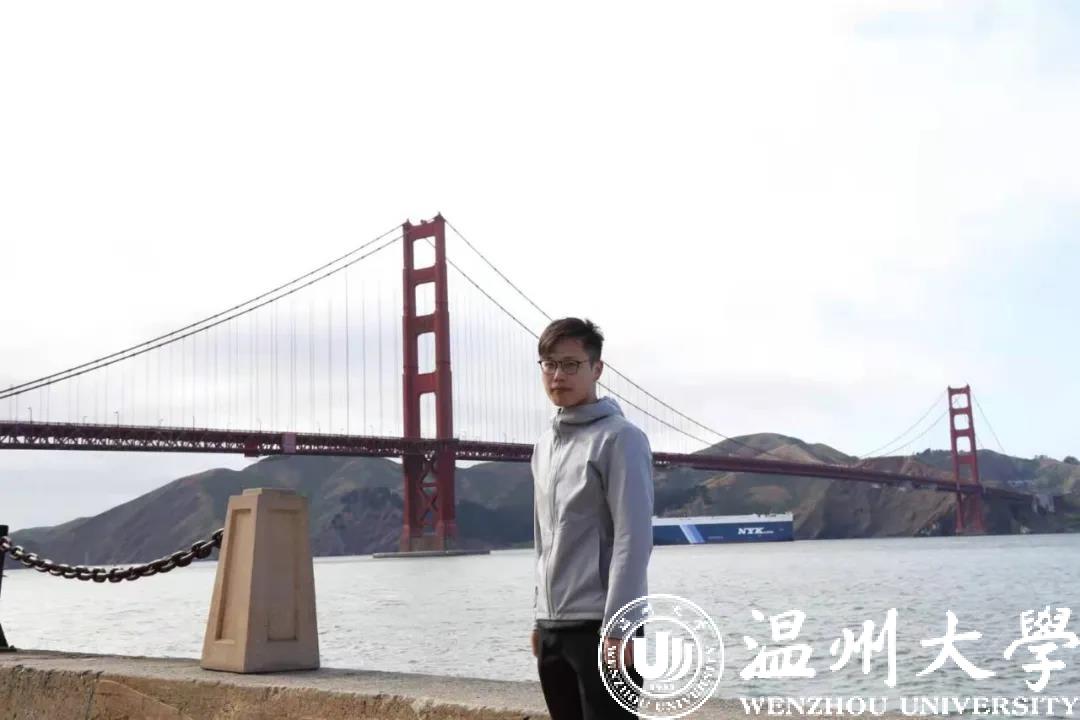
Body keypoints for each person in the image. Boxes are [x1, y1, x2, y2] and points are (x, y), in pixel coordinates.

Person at [530, 317, 654, 719]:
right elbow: (543, 540)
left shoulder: (621, 438)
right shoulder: (543, 447)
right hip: (553, 628)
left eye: (571, 364)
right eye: (549, 364)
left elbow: (633, 540)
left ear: (597, 369)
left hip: (602, 627)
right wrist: (540, 617)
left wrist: (621, 626)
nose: (557, 375)